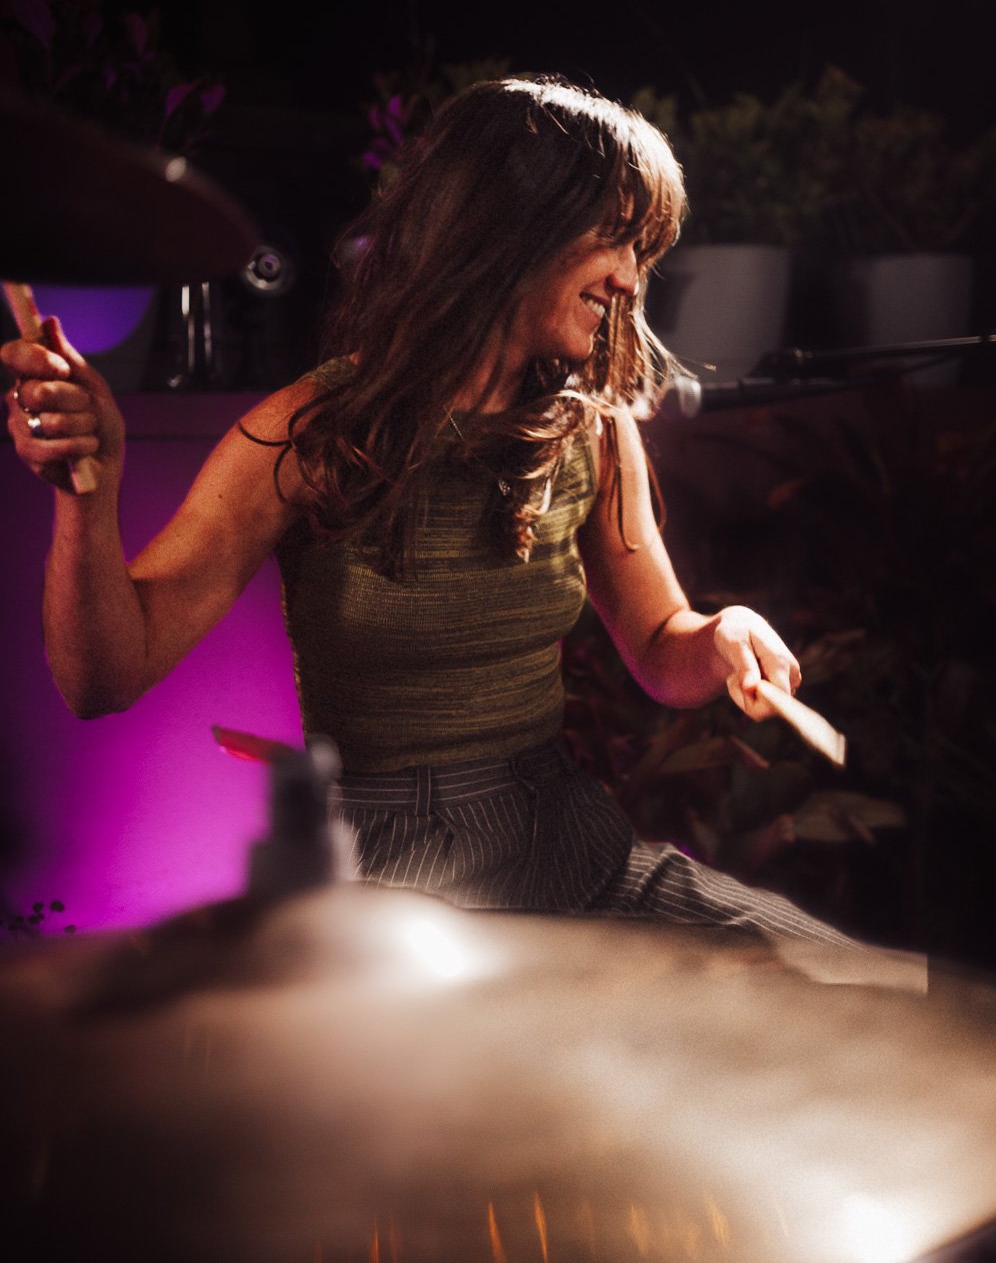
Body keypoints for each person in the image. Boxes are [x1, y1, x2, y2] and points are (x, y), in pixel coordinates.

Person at [3, 76, 862, 954]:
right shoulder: (304, 434)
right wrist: (89, 496)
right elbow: (101, 677)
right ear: (513, 228)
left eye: (642, 248)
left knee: (845, 982)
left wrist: (718, 637)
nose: (630, 278)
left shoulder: (592, 431)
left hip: (571, 843)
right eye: (614, 239)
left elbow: (657, 647)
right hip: (390, 881)